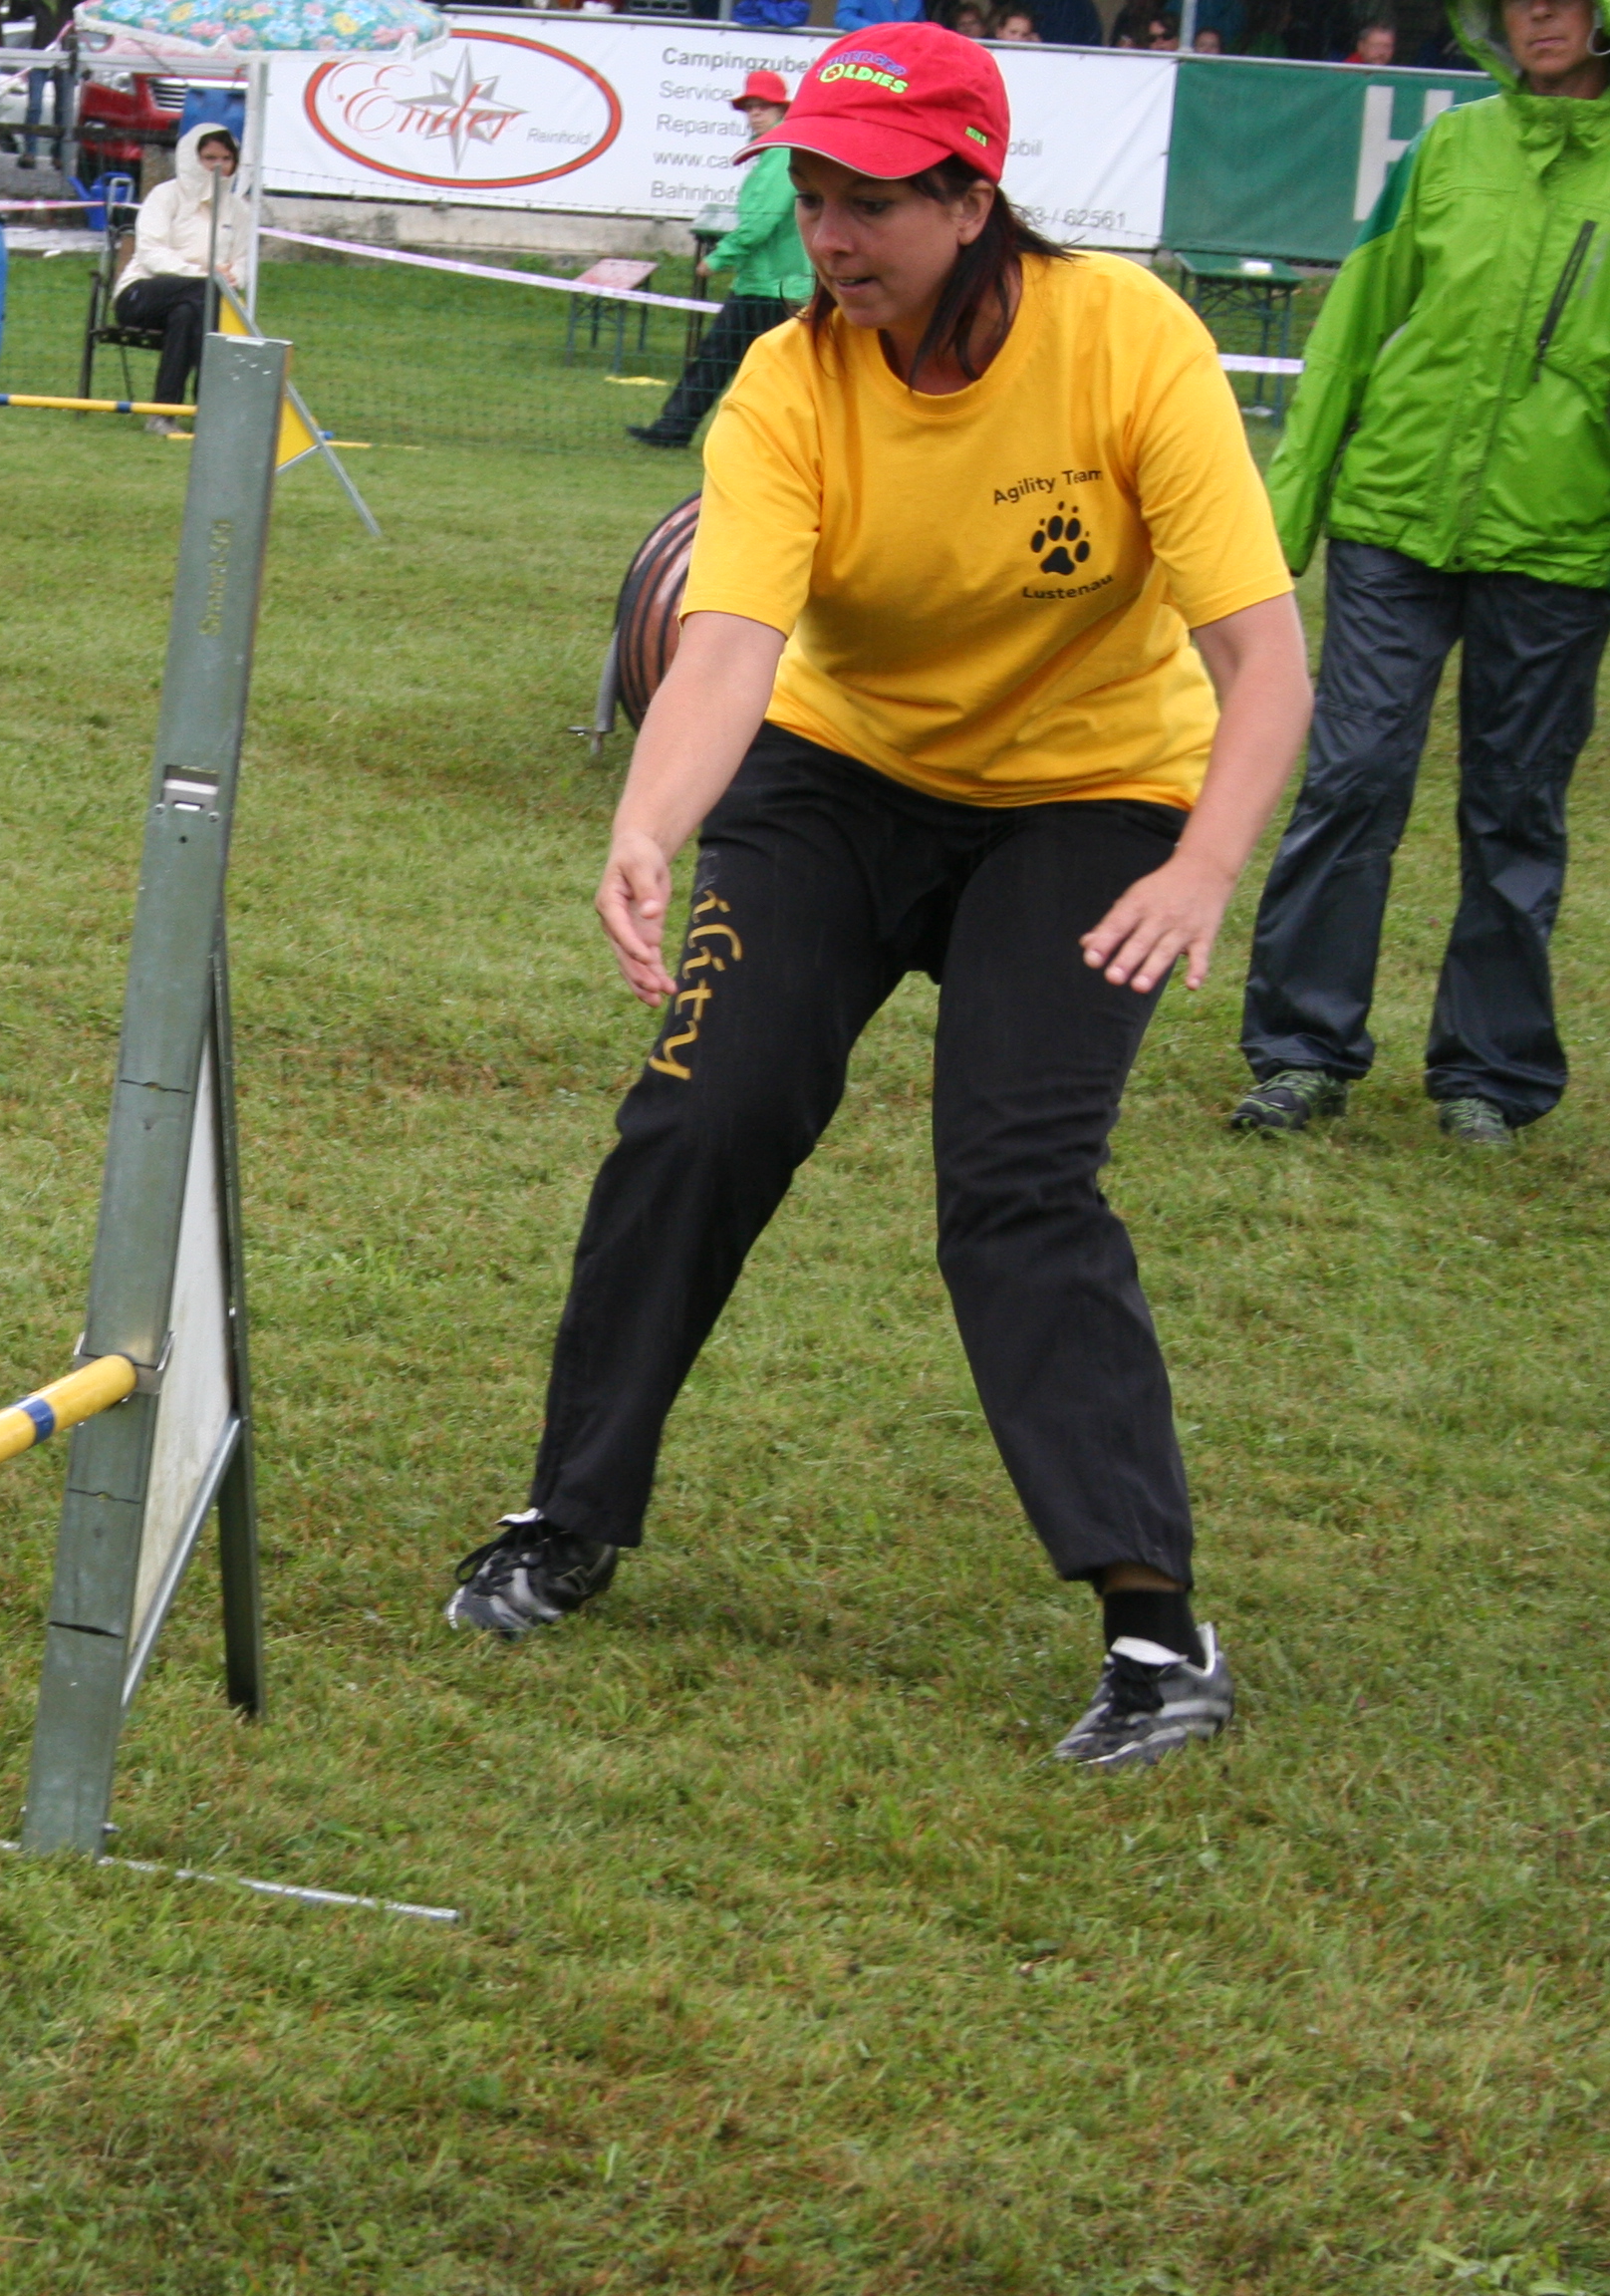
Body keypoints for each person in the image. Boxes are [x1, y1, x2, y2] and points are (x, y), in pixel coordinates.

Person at [444, 23, 1311, 1776]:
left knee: (1016, 1179)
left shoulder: (1127, 338)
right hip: (837, 781)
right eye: (815, 198)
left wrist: (1205, 865)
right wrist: (648, 822)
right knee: (699, 1116)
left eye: (874, 205)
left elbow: (1264, 658)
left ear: (974, 200)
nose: (833, 239)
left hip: (1091, 797)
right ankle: (568, 1513)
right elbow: (728, 649)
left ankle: (1155, 1629)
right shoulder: (789, 382)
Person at [1235, 0, 1610, 1146]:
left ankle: (1489, 1075)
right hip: (1391, 521)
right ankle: (1301, 1054)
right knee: (1352, 777)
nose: (1536, 11)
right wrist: (1284, 518)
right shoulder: (1447, 146)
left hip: (1560, 543)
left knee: (1516, 805)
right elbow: (1353, 324)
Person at [630, 72, 812, 448]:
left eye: (763, 107)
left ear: (782, 110)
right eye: (750, 107)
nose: (754, 114)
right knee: (728, 360)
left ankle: (679, 428)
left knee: (741, 363)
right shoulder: (776, 154)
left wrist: (718, 258)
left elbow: (760, 222)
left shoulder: (780, 156)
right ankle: (674, 428)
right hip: (767, 282)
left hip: (772, 286)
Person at [113, 123, 249, 434]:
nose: (218, 166)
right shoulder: (165, 195)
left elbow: (243, 261)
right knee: (206, 294)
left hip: (200, 301)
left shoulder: (239, 209)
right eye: (209, 158)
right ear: (191, 158)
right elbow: (151, 254)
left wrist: (232, 277)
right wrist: (206, 275)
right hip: (141, 293)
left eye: (226, 158)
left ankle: (163, 413)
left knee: (188, 315)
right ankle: (210, 405)